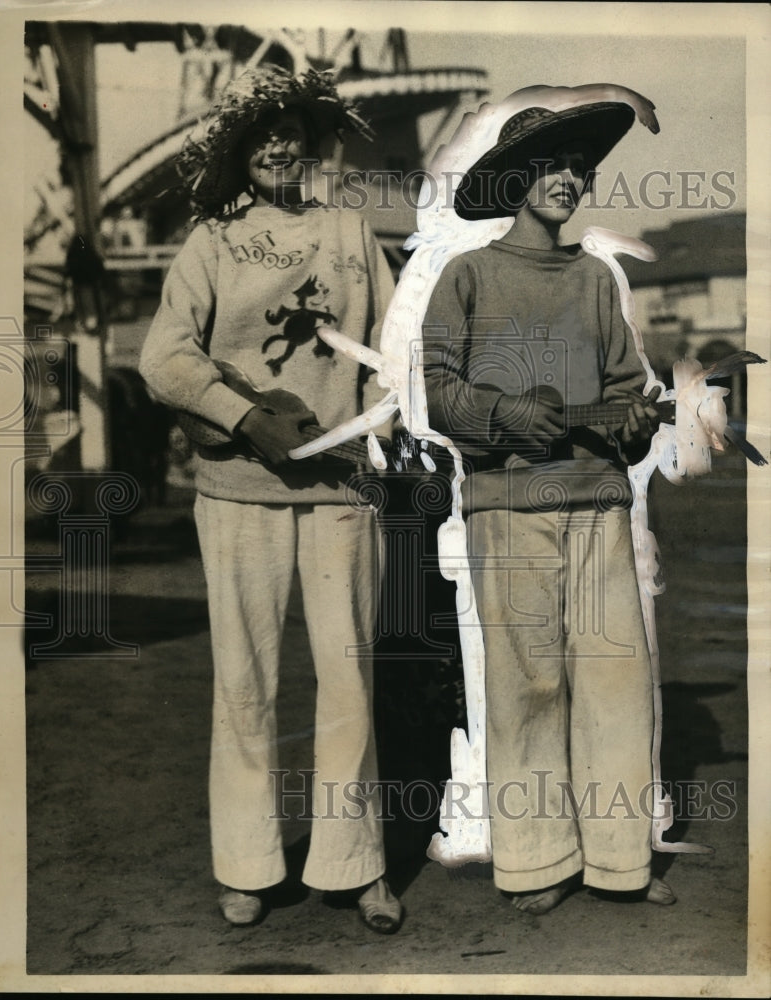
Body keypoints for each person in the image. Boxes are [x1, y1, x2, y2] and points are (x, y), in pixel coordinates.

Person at [139, 65, 402, 933]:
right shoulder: (211, 241)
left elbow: (390, 352)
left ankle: (353, 864)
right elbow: (165, 361)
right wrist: (242, 415)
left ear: (312, 139)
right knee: (245, 679)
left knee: (348, 675)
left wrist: (380, 432)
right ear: (240, 155)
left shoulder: (350, 229)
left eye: (290, 129)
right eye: (261, 136)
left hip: (342, 486)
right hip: (240, 489)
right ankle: (248, 863)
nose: (279, 145)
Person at [422, 88, 674, 914]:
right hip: (507, 507)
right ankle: (534, 862)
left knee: (613, 679)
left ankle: (617, 860)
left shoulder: (597, 280)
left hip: (596, 502)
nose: (567, 178)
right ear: (514, 180)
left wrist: (634, 425)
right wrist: (504, 414)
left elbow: (624, 393)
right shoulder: (466, 276)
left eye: (578, 166)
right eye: (550, 165)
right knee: (528, 684)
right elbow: (439, 396)